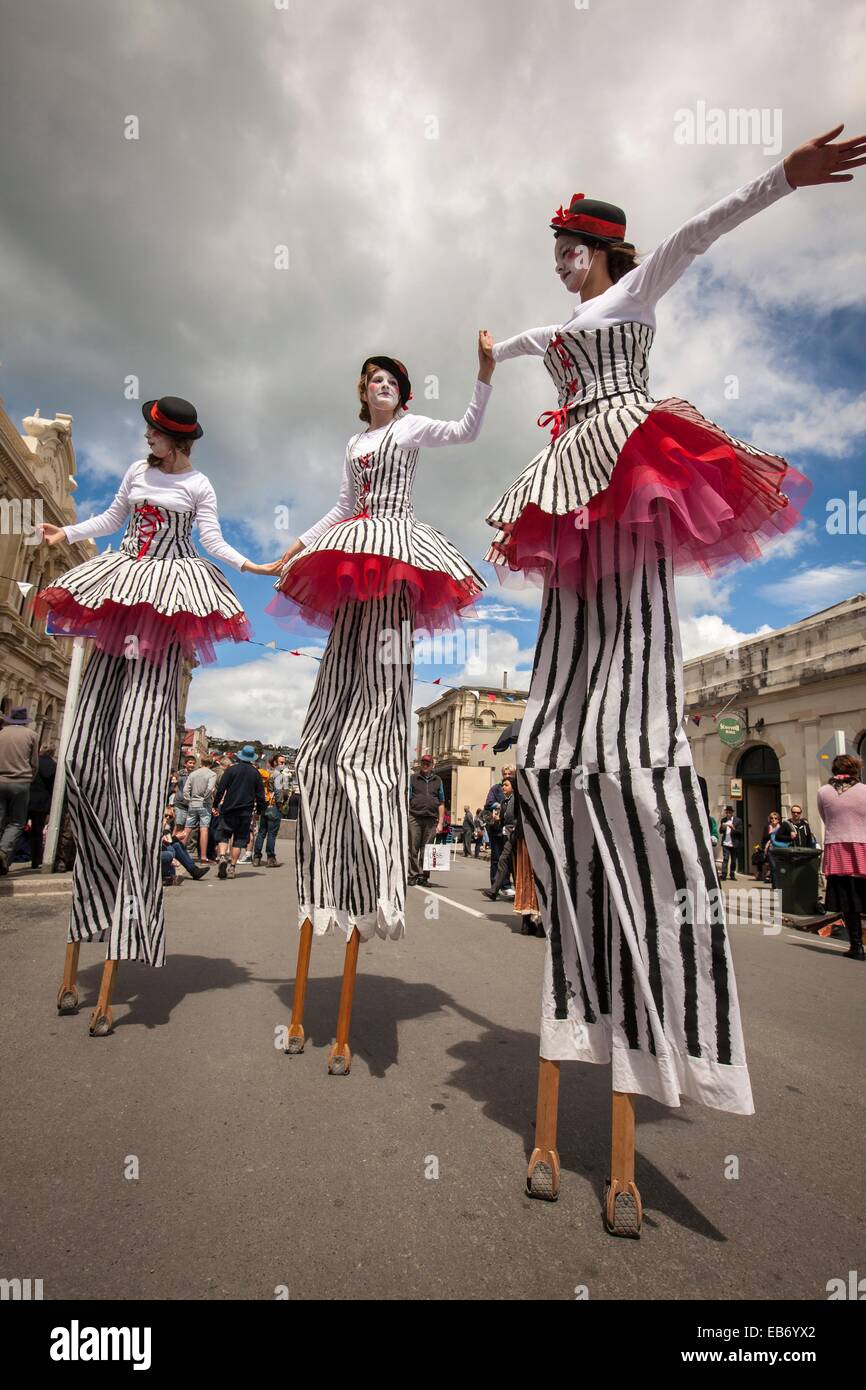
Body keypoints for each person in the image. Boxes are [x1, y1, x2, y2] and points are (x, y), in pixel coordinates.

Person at [482, 127, 865, 1116]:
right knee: (550, 743)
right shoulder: (563, 320)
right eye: (555, 251)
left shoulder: (634, 286)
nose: (562, 263)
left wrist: (783, 176)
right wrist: (487, 357)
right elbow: (526, 343)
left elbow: (701, 229)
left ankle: (665, 969)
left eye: (571, 247)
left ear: (603, 248)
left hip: (628, 461)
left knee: (631, 699)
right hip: (572, 479)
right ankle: (569, 819)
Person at [262, 341, 493, 942]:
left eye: (391, 378)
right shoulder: (355, 443)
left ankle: (379, 834)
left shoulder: (412, 427)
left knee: (385, 669)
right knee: (342, 664)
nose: (381, 384)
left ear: (403, 392)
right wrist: (296, 549)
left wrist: (485, 375)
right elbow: (341, 505)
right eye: (373, 379)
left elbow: (467, 431)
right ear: (362, 393)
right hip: (354, 545)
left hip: (395, 548)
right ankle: (332, 797)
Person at [38, 396, 256, 973]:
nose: (146, 441)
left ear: (178, 441)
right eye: (147, 433)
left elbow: (212, 540)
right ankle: (97, 859)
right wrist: (66, 532)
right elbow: (112, 520)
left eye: (155, 434)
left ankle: (132, 892)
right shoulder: (138, 473)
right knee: (84, 756)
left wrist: (250, 566)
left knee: (136, 755)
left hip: (168, 594)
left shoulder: (200, 485)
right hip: (124, 583)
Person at [817, 754, 866, 961]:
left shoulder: (823, 791)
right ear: (855, 770)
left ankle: (856, 946)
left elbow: (825, 818)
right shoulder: (864, 790)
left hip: (837, 847)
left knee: (847, 900)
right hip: (863, 846)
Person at [213, 744, 266, 880]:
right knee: (239, 839)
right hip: (245, 811)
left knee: (224, 834)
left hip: (229, 807)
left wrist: (215, 803)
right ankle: (232, 867)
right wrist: (260, 810)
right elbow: (260, 795)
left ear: (240, 756)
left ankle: (223, 856)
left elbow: (221, 789)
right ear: (252, 758)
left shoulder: (231, 770)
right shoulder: (256, 773)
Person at [0, 707, 39, 875]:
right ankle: (2, 850)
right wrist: (30, 778)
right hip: (21, 782)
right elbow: (34, 762)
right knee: (17, 822)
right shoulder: (32, 735)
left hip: (0, 780)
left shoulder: (1, 733)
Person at [408, 755, 446, 887]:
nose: (425, 765)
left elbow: (441, 803)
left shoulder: (438, 780)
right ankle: (412, 875)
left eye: (428, 763)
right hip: (414, 817)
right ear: (420, 764)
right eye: (423, 763)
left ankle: (423, 876)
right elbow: (407, 799)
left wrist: (440, 823)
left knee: (427, 850)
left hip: (431, 819)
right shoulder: (413, 778)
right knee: (413, 848)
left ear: (432, 765)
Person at [182, 755, 218, 864]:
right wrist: (205, 799)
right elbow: (210, 788)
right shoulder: (212, 774)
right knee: (204, 829)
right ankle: (203, 857)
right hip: (204, 804)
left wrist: (189, 799)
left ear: (201, 762)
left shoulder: (193, 773)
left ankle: (179, 853)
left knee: (187, 828)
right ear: (211, 763)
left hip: (193, 803)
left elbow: (185, 789)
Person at [161, 808, 210, 886]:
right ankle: (168, 876)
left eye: (170, 817)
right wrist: (176, 837)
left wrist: (169, 831)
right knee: (169, 853)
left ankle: (193, 870)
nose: (167, 818)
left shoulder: (166, 826)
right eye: (165, 816)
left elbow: (168, 840)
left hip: (163, 850)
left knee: (176, 845)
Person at [28, 743, 57, 871]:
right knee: (37, 832)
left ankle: (7, 857)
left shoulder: (33, 762)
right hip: (42, 802)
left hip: (27, 799)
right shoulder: (53, 766)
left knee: (17, 827)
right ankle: (36, 860)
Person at [253, 754, 284, 867]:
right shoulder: (277, 775)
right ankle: (271, 858)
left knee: (261, 832)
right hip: (274, 806)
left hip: (264, 806)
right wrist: (280, 805)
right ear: (275, 763)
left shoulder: (265, 774)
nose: (283, 764)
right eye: (281, 762)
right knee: (271, 833)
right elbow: (278, 792)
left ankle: (256, 857)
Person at [173, 755, 198, 842]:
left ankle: (179, 846)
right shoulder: (180, 773)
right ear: (185, 764)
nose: (192, 765)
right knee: (178, 825)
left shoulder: (195, 775)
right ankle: (172, 844)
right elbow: (175, 786)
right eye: (190, 763)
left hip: (190, 804)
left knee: (185, 828)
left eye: (193, 763)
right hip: (180, 803)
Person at [719, 806, 743, 881]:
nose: (728, 814)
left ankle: (732, 874)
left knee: (733, 860)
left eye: (730, 812)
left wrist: (733, 827)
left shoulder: (738, 820)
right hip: (725, 843)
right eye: (727, 813)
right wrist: (723, 827)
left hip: (734, 843)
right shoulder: (723, 820)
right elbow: (721, 831)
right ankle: (723, 875)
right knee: (725, 859)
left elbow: (740, 832)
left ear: (732, 813)